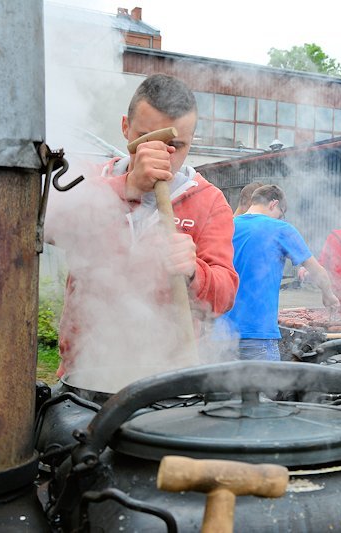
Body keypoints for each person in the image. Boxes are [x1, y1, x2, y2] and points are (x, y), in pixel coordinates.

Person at [53, 74, 239, 377]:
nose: (161, 155)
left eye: (175, 145)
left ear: (191, 141)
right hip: (85, 368)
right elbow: (48, 228)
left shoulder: (209, 201)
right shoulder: (89, 181)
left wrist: (194, 271)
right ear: (126, 127)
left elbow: (225, 296)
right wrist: (127, 187)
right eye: (146, 140)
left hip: (168, 377)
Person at [218, 185, 338, 361]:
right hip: (258, 335)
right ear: (274, 204)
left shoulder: (227, 227)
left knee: (224, 388)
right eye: (281, 213)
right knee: (264, 389)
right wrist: (329, 295)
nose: (281, 218)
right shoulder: (281, 229)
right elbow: (318, 271)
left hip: (219, 335)